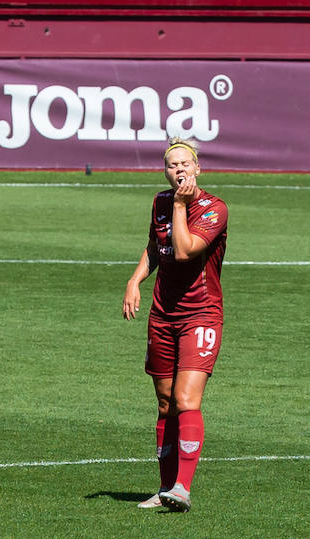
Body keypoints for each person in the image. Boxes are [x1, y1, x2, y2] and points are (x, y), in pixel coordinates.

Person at [122, 138, 228, 512]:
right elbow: (157, 246)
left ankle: (183, 487)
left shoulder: (214, 209)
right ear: (165, 171)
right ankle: (165, 487)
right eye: (172, 165)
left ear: (198, 168)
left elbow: (183, 250)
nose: (179, 170)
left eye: (186, 163)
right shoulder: (160, 202)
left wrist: (181, 205)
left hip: (200, 314)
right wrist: (136, 280)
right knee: (165, 403)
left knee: (186, 399)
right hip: (162, 315)